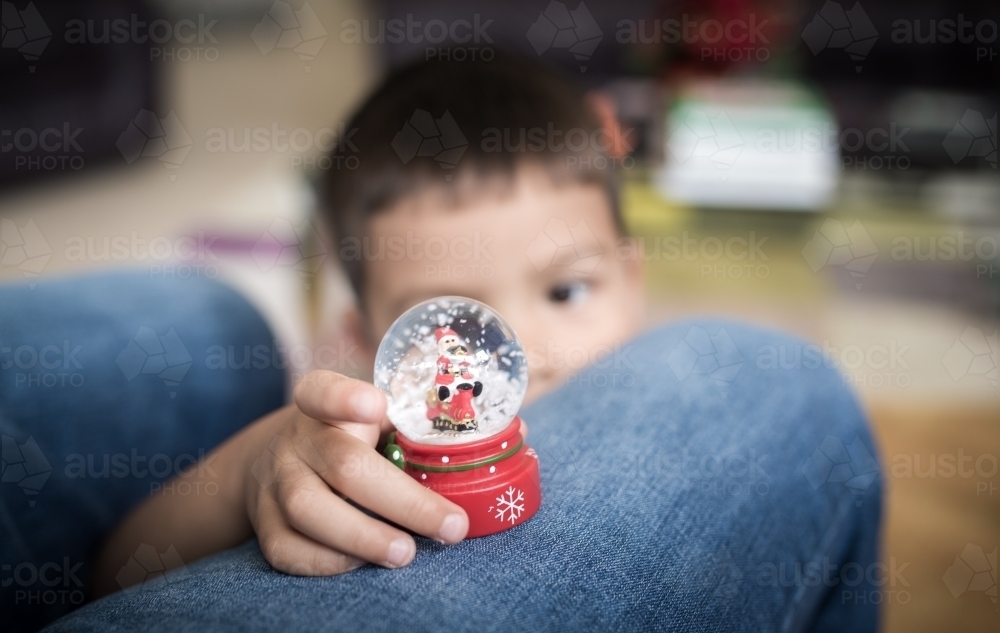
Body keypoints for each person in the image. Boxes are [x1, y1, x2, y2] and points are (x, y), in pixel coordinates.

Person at [2, 53, 881, 632]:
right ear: (363, 342)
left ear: (633, 277)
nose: (522, 353)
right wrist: (258, 466)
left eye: (568, 289)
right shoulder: (354, 444)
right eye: (451, 324)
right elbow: (116, 576)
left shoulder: (669, 427)